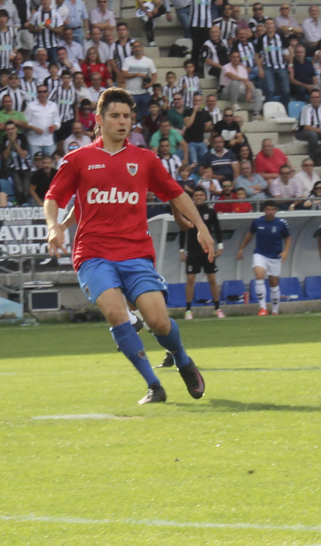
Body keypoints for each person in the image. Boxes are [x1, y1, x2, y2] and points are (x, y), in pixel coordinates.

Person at [44, 87, 211, 405]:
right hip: (93, 255)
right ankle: (154, 385)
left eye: (127, 117)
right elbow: (53, 198)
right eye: (115, 116)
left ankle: (183, 360)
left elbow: (176, 193)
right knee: (116, 313)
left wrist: (201, 227)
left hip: (135, 254)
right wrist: (54, 227)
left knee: (158, 321)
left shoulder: (145, 159)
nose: (122, 122)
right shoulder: (79, 160)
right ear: (99, 119)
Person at [172, 186, 225, 325]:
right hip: (193, 250)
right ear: (193, 197)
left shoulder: (211, 212)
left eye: (201, 195)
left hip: (207, 249)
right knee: (190, 279)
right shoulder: (189, 211)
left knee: (212, 278)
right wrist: (181, 250)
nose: (199, 197)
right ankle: (188, 310)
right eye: (197, 195)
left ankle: (217, 308)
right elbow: (183, 230)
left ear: (205, 196)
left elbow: (217, 230)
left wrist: (220, 245)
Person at [236, 199, 291, 316]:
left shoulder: (281, 223)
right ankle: (263, 308)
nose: (270, 212)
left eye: (272, 209)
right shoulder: (257, 222)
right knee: (259, 276)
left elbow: (288, 237)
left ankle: (275, 310)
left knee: (274, 283)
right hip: (260, 254)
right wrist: (242, 248)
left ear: (276, 210)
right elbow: (250, 234)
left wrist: (285, 251)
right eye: (268, 209)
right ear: (264, 210)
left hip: (275, 256)